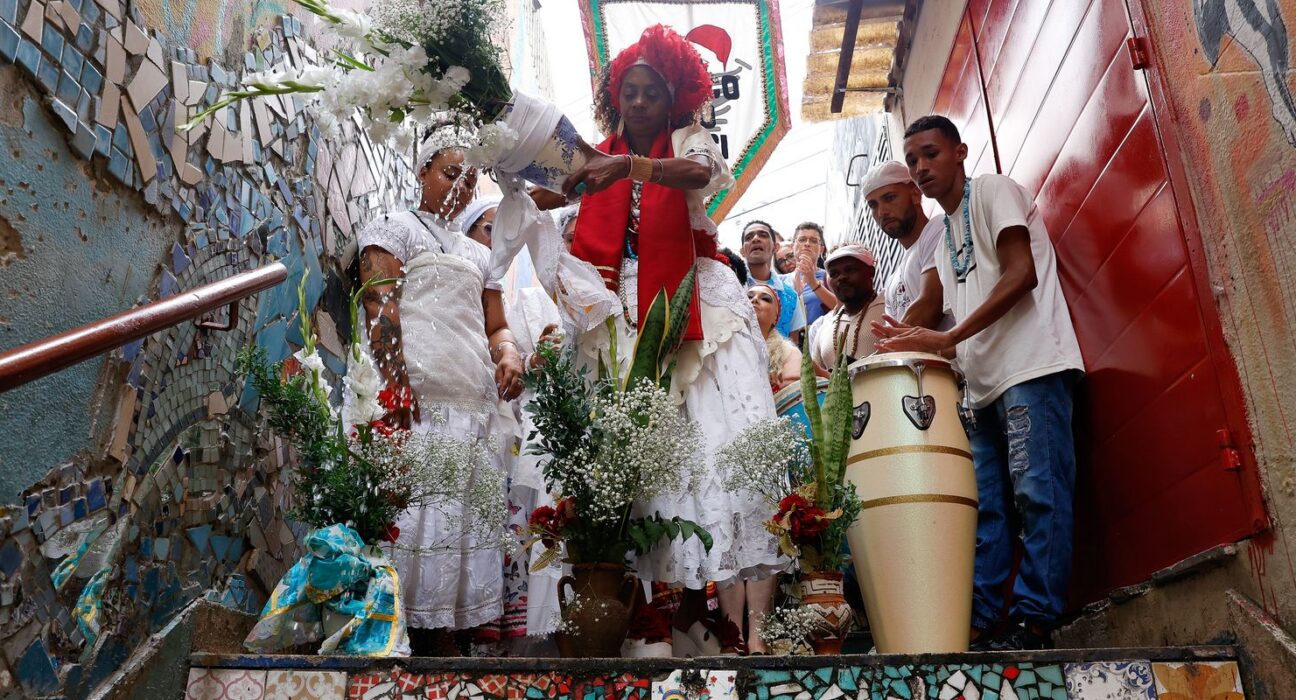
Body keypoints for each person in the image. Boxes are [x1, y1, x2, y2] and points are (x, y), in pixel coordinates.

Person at [558, 24, 783, 655]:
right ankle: (656, 616)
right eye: (628, 91)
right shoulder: (592, 154)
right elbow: (560, 191)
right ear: (615, 97)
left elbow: (699, 174)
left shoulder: (687, 139)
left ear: (672, 98)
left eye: (649, 92)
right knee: (637, 458)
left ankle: (713, 613)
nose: (636, 102)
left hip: (690, 302)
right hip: (617, 307)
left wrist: (627, 167)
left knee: (707, 447)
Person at [874, 115, 1085, 650]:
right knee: (987, 508)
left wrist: (943, 340)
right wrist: (912, 342)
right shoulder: (944, 239)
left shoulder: (994, 189)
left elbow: (1021, 273)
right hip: (981, 388)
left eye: (931, 154)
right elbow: (943, 313)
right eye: (914, 159)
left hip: (1032, 368)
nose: (921, 167)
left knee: (1040, 494)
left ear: (960, 152)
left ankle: (1035, 621)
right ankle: (982, 622)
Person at [354, 127, 523, 655]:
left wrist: (510, 355)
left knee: (458, 517)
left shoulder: (479, 255)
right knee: (414, 514)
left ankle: (445, 635)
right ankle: (397, 635)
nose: (460, 188)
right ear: (422, 171)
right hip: (417, 400)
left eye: (469, 180)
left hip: (473, 402)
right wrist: (396, 384)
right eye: (451, 174)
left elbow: (496, 325)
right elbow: (379, 302)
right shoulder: (394, 228)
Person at [859, 162, 951, 330]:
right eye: (873, 205)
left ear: (915, 194)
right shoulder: (892, 281)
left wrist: (887, 348)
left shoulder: (939, 228)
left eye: (889, 198)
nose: (881, 212)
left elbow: (930, 306)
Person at [808, 244, 886, 371]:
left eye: (850, 270)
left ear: (871, 272)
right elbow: (818, 382)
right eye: (834, 274)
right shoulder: (823, 327)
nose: (842, 277)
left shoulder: (891, 306)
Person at [740, 220, 806, 340]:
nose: (755, 239)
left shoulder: (790, 295)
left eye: (763, 235)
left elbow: (793, 342)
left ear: (775, 247)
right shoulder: (732, 288)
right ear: (743, 251)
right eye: (749, 237)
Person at [748, 284, 801, 391]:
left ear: (776, 316)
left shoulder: (789, 353)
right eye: (749, 297)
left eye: (765, 299)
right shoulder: (725, 346)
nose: (755, 299)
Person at [790, 222, 836, 326]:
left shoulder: (830, 276)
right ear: (793, 246)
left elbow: (843, 308)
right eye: (802, 240)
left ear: (821, 249)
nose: (807, 244)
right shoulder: (782, 281)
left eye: (814, 241)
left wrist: (813, 282)